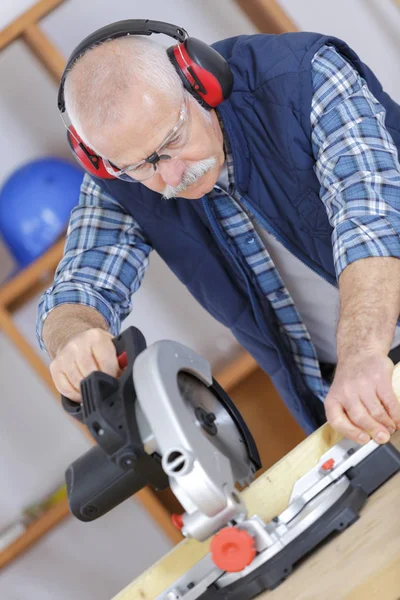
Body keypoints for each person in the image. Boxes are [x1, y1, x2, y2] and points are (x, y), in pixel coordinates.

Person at [37, 20, 400, 445]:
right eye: (142, 166)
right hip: (347, 392)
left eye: (173, 140)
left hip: (364, 358)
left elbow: (371, 220)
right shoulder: (120, 176)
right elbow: (77, 289)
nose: (172, 175)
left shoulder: (305, 76)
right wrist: (74, 338)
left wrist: (360, 354)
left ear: (198, 82)